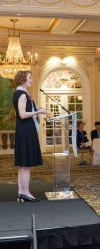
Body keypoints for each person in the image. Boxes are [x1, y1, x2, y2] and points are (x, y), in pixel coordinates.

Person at [13, 70, 48, 202]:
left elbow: (26, 110)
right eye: (29, 78)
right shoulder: (22, 94)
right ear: (23, 80)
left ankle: (21, 192)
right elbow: (22, 114)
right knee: (26, 164)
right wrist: (38, 112)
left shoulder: (21, 93)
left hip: (24, 129)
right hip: (26, 129)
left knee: (23, 164)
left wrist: (37, 108)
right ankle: (26, 192)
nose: (31, 80)